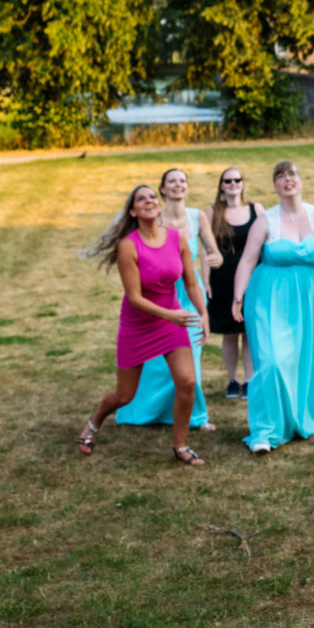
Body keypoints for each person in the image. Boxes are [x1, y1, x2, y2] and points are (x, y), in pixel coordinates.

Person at [77, 184, 210, 466]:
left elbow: (189, 281)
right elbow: (135, 298)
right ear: (133, 211)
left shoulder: (177, 239)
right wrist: (171, 315)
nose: (149, 201)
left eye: (152, 196)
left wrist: (202, 313)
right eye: (141, 198)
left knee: (186, 382)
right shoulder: (129, 245)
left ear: (159, 205)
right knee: (125, 395)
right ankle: (95, 420)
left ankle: (181, 446)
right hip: (139, 325)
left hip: (170, 319)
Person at [229, 161, 314, 453]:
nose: (287, 180)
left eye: (292, 174)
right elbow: (247, 260)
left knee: (306, 361)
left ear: (300, 180)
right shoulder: (265, 220)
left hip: (310, 298)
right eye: (281, 176)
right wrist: (237, 296)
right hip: (269, 298)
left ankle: (302, 418)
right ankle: (265, 431)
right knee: (271, 362)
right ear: (274, 185)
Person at [118, 168, 218, 431]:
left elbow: (212, 250)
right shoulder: (152, 221)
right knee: (156, 364)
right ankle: (153, 411)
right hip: (160, 296)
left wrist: (214, 263)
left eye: (182, 181)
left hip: (189, 293)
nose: (178, 185)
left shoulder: (197, 217)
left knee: (191, 360)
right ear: (163, 189)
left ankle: (196, 417)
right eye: (172, 181)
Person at [205, 165, 256, 399]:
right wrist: (205, 282)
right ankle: (232, 381)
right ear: (221, 186)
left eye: (237, 179)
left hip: (251, 279)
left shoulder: (256, 210)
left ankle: (249, 380)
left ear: (243, 183)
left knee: (248, 331)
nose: (233, 184)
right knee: (229, 332)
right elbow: (207, 252)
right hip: (222, 279)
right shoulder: (212, 212)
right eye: (228, 181)